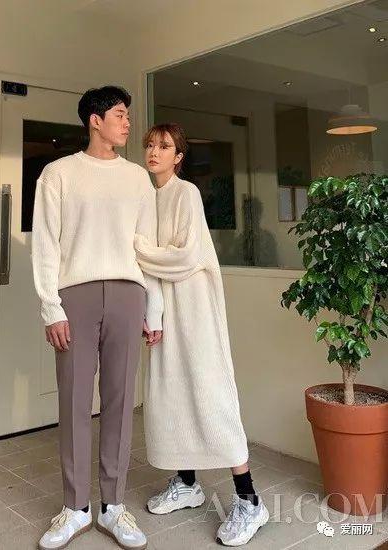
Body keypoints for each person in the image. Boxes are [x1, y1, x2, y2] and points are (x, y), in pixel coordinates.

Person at [31, 86, 164, 550]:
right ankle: (75, 508)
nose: (128, 124)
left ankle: (113, 505)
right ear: (95, 119)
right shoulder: (59, 174)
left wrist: (153, 308)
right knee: (74, 401)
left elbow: (147, 248)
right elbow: (45, 244)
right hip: (75, 296)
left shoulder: (137, 179)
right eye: (120, 115)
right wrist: (51, 306)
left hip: (128, 294)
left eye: (128, 116)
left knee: (121, 401)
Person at [133, 123, 270, 546]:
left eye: (164, 146)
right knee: (171, 392)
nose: (154, 151)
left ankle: (249, 500)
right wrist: (153, 314)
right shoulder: (146, 197)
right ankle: (188, 482)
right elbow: (150, 271)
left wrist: (136, 247)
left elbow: (186, 256)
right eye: (150, 144)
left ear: (178, 157)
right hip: (167, 309)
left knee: (211, 394)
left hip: (194, 306)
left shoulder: (186, 193)